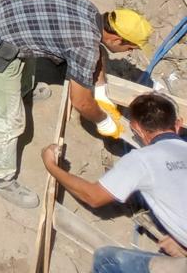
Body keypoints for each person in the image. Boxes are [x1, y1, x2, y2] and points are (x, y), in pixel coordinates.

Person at [0, 0, 152, 208]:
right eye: (130, 48)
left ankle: (24, 91)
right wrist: (103, 120)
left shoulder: (89, 10)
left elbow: (97, 51)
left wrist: (100, 89)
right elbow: (81, 102)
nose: (128, 52)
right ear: (116, 39)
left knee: (28, 58)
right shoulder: (83, 45)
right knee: (9, 121)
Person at [39, 92, 187, 271]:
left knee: (107, 260)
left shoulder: (143, 160)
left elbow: (93, 196)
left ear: (136, 129)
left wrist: (51, 166)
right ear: (178, 124)